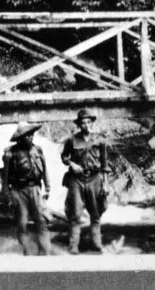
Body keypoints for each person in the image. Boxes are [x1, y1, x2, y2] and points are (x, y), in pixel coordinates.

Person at [61, 108, 110, 254]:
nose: (86, 125)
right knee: (75, 215)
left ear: (92, 123)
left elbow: (105, 164)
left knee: (96, 214)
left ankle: (96, 244)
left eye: (89, 122)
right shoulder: (72, 140)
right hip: (77, 180)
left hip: (95, 179)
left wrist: (105, 184)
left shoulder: (100, 140)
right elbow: (64, 157)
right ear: (79, 125)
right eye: (83, 123)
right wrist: (72, 164)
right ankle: (73, 246)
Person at [1, 121, 52, 255]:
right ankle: (26, 251)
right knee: (22, 223)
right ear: (20, 138)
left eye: (32, 134)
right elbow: (5, 176)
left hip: (35, 189)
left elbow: (45, 169)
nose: (31, 137)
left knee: (41, 220)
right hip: (18, 191)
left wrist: (48, 188)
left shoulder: (38, 149)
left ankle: (44, 251)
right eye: (27, 135)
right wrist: (6, 194)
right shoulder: (10, 153)